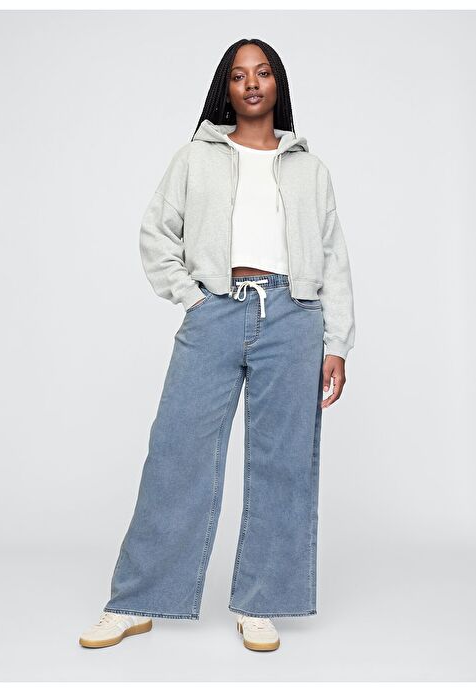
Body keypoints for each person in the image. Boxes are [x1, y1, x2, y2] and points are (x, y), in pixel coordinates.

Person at [79, 37, 355, 653]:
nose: (251, 83)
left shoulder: (310, 169)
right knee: (177, 452)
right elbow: (157, 233)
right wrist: (194, 297)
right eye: (238, 75)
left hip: (294, 316)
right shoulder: (195, 157)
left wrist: (337, 342)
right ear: (225, 89)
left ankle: (261, 603)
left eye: (262, 72)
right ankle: (135, 600)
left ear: (278, 84)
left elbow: (333, 256)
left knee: (283, 462)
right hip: (217, 310)